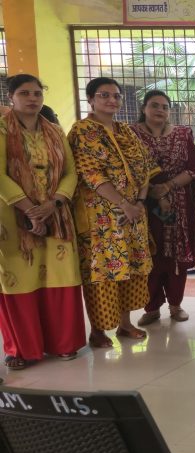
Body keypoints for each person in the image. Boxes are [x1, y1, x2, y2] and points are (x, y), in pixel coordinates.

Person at [0, 74, 85, 368]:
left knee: (59, 278)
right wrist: (29, 210)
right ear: (11, 97)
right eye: (24, 93)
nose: (32, 98)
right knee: (20, 280)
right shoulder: (1, 129)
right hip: (14, 219)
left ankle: (63, 343)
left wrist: (53, 203)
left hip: (56, 216)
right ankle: (21, 349)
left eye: (37, 93)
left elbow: (71, 173)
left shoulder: (55, 131)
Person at [68, 77, 159, 348]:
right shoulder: (82, 131)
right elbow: (91, 175)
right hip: (102, 218)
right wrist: (124, 204)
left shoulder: (126, 130)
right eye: (104, 95)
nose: (112, 100)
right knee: (103, 272)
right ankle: (98, 330)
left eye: (116, 95)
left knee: (131, 267)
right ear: (91, 100)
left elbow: (145, 167)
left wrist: (139, 202)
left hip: (134, 214)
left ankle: (125, 323)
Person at [131, 90, 195, 326]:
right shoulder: (130, 134)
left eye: (164, 107)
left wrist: (167, 187)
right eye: (154, 105)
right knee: (149, 255)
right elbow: (128, 168)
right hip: (143, 203)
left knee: (176, 256)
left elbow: (193, 168)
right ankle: (151, 308)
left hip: (178, 205)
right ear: (144, 108)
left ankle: (175, 305)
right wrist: (152, 191)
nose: (160, 110)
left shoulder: (183, 134)